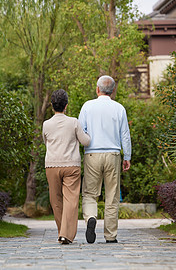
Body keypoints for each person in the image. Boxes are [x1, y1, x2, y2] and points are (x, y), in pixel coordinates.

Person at [78, 75, 131, 244]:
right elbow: (125, 135)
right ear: (113, 91)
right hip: (113, 155)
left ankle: (91, 217)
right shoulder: (119, 108)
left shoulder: (87, 106)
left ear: (97, 89)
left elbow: (80, 132)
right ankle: (110, 235)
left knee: (89, 194)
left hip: (92, 154)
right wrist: (127, 156)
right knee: (112, 196)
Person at [42, 89, 91, 244]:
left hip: (51, 165)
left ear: (51, 105)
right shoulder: (74, 122)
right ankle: (66, 234)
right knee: (70, 200)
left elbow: (46, 142)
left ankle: (62, 233)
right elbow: (85, 141)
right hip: (71, 165)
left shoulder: (46, 124)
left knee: (56, 200)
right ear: (66, 106)